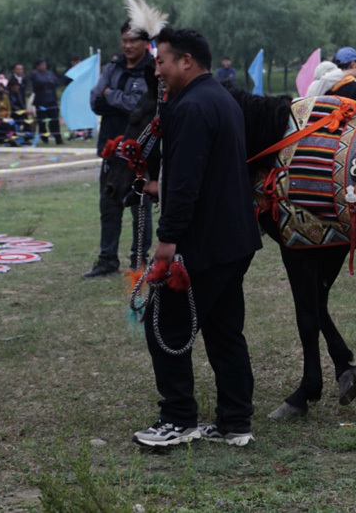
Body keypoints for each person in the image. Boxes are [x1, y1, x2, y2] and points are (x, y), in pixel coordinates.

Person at [131, 26, 262, 448]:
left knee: (165, 328)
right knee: (225, 331)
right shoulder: (220, 98)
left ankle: (179, 419)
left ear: (186, 61)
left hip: (201, 244)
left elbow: (185, 182)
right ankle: (235, 423)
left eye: (162, 61)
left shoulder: (192, 108)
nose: (156, 71)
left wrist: (166, 244)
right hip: (235, 239)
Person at [82, 22, 156, 278]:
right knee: (109, 205)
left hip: (138, 152)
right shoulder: (112, 68)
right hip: (110, 150)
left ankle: (139, 260)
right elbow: (94, 100)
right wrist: (113, 98)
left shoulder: (152, 70)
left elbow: (140, 106)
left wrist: (110, 95)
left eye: (132, 41)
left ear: (145, 42)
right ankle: (107, 259)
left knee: (140, 208)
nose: (127, 45)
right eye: (124, 40)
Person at [29, 59, 63, 144]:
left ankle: (58, 138)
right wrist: (48, 83)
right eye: (42, 65)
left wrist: (47, 84)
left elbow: (56, 82)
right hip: (41, 101)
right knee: (42, 121)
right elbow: (39, 83)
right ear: (37, 66)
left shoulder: (50, 73)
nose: (44, 66)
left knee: (54, 120)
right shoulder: (35, 74)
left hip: (52, 100)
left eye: (45, 64)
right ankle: (44, 138)